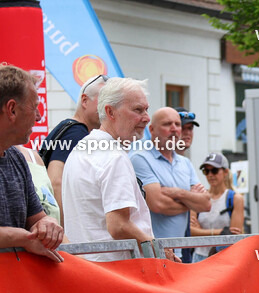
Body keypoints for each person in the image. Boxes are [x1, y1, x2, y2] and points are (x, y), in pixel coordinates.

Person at [63, 78, 174, 261]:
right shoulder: (114, 156)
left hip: (84, 269)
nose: (146, 117)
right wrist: (159, 249)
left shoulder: (81, 149)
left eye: (146, 109)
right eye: (138, 110)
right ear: (110, 111)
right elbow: (118, 226)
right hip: (115, 273)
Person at [0, 65, 63, 261]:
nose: (38, 116)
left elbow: (38, 218)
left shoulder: (17, 158)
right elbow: (28, 235)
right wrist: (24, 238)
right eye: (35, 106)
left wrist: (48, 224)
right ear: (12, 109)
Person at [130, 107, 211, 260]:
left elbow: (206, 205)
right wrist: (191, 200)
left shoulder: (185, 163)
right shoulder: (140, 159)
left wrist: (176, 193)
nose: (174, 129)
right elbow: (158, 204)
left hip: (180, 253)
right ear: (152, 130)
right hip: (152, 254)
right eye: (167, 124)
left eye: (177, 124)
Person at [41, 73, 106, 217]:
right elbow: (56, 181)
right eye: (103, 101)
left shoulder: (71, 129)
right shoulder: (76, 133)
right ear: (84, 100)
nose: (107, 108)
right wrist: (65, 230)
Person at [190, 153, 243, 261]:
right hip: (199, 258)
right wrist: (219, 232)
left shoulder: (235, 199)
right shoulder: (198, 197)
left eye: (214, 170)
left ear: (225, 172)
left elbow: (233, 235)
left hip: (225, 258)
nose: (210, 175)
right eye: (206, 171)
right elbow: (190, 231)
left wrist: (201, 231)